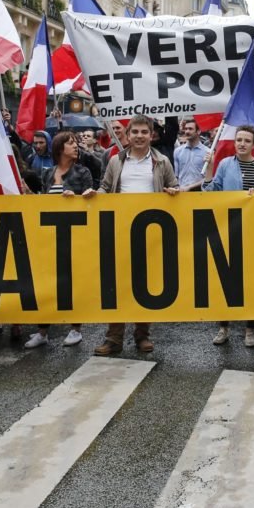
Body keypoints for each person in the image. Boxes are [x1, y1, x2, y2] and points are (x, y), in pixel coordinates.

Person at [93, 115, 180, 356]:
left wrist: (173, 192)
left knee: (144, 285)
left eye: (144, 132)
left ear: (151, 135)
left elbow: (174, 187)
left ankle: (142, 335)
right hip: (119, 231)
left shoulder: (162, 162)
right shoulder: (115, 161)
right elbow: (105, 186)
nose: (140, 136)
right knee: (118, 285)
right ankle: (114, 337)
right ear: (128, 135)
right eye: (135, 132)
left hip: (150, 233)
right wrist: (94, 193)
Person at [204, 126, 254, 347]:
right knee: (225, 280)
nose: (242, 143)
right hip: (227, 230)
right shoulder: (225, 165)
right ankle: (223, 327)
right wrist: (208, 169)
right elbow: (211, 192)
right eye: (239, 140)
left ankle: (250, 329)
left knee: (251, 281)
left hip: (252, 231)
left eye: (246, 140)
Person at [25, 132, 95, 350]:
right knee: (46, 285)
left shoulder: (83, 172)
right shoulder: (48, 173)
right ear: (59, 148)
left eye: (76, 143)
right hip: (49, 237)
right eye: (71, 143)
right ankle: (42, 331)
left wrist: (77, 198)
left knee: (73, 284)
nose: (76, 147)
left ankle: (75, 328)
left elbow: (90, 202)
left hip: (75, 236)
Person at [172, 117, 211, 191]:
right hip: (182, 193)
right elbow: (176, 176)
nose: (187, 131)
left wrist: (190, 187)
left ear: (198, 131)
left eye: (190, 129)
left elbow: (208, 177)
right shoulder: (177, 151)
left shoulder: (207, 152)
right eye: (186, 129)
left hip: (200, 193)